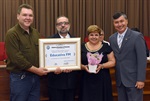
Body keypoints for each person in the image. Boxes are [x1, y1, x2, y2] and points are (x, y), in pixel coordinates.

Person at [5, 4, 48, 101]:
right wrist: (37, 70)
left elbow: (41, 53)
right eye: (25, 15)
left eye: (30, 15)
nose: (28, 18)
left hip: (35, 78)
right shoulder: (12, 34)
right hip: (20, 79)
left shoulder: (35, 33)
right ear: (18, 16)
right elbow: (17, 58)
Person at [109, 12, 147, 101]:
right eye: (116, 22)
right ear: (114, 24)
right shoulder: (112, 38)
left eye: (121, 21)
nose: (119, 24)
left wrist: (140, 79)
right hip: (120, 80)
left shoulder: (137, 36)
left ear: (127, 21)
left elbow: (142, 59)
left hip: (134, 80)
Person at [79, 25, 116, 101]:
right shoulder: (81, 47)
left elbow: (113, 62)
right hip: (85, 79)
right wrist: (83, 67)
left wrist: (102, 65)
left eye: (96, 35)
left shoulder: (106, 47)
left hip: (102, 80)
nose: (94, 37)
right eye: (91, 35)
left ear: (100, 36)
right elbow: (76, 63)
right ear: (88, 36)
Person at [47, 16, 79, 101]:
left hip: (71, 83)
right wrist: (52, 69)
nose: (63, 25)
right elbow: (46, 62)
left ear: (69, 25)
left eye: (65, 23)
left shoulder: (76, 41)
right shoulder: (49, 41)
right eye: (60, 23)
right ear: (56, 26)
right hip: (55, 83)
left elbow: (78, 60)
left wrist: (73, 67)